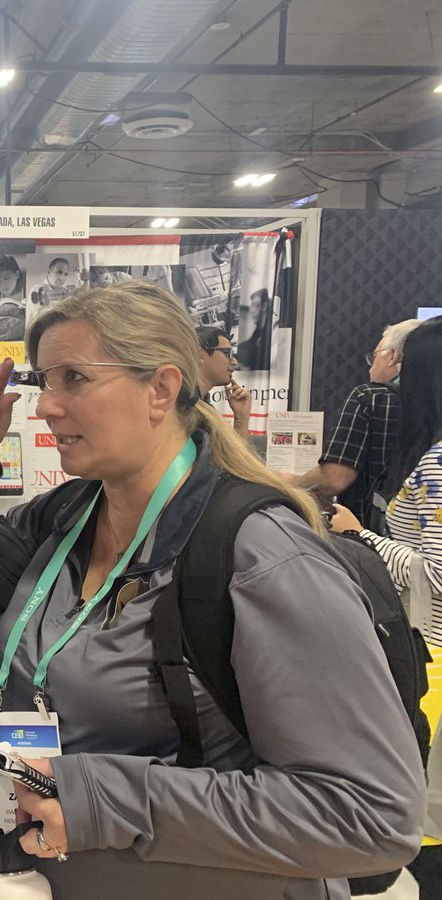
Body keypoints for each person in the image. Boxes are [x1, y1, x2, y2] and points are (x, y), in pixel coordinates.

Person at [0, 281, 424, 899]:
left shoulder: (263, 555)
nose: (44, 407)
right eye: (45, 381)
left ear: (162, 389)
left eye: (74, 378)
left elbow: (370, 815)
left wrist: (106, 800)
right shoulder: (68, 516)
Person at [329, 316, 442, 893]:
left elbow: (438, 577)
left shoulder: (439, 462)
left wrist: (361, 537)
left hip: (434, 652)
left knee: (425, 825)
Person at [297, 319, 420, 531]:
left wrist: (291, 482)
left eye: (374, 356)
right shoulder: (430, 405)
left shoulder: (369, 398)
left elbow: (335, 478)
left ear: (392, 356)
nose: (371, 366)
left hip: (367, 537)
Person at [195, 325, 251, 437]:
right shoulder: (180, 409)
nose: (234, 361)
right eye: (226, 353)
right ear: (200, 355)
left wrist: (241, 419)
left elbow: (231, 454)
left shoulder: (205, 407)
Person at [235, 287, 274, 371]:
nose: (251, 311)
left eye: (256, 305)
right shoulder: (260, 329)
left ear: (264, 307)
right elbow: (250, 344)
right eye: (251, 306)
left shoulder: (271, 332)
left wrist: (248, 369)